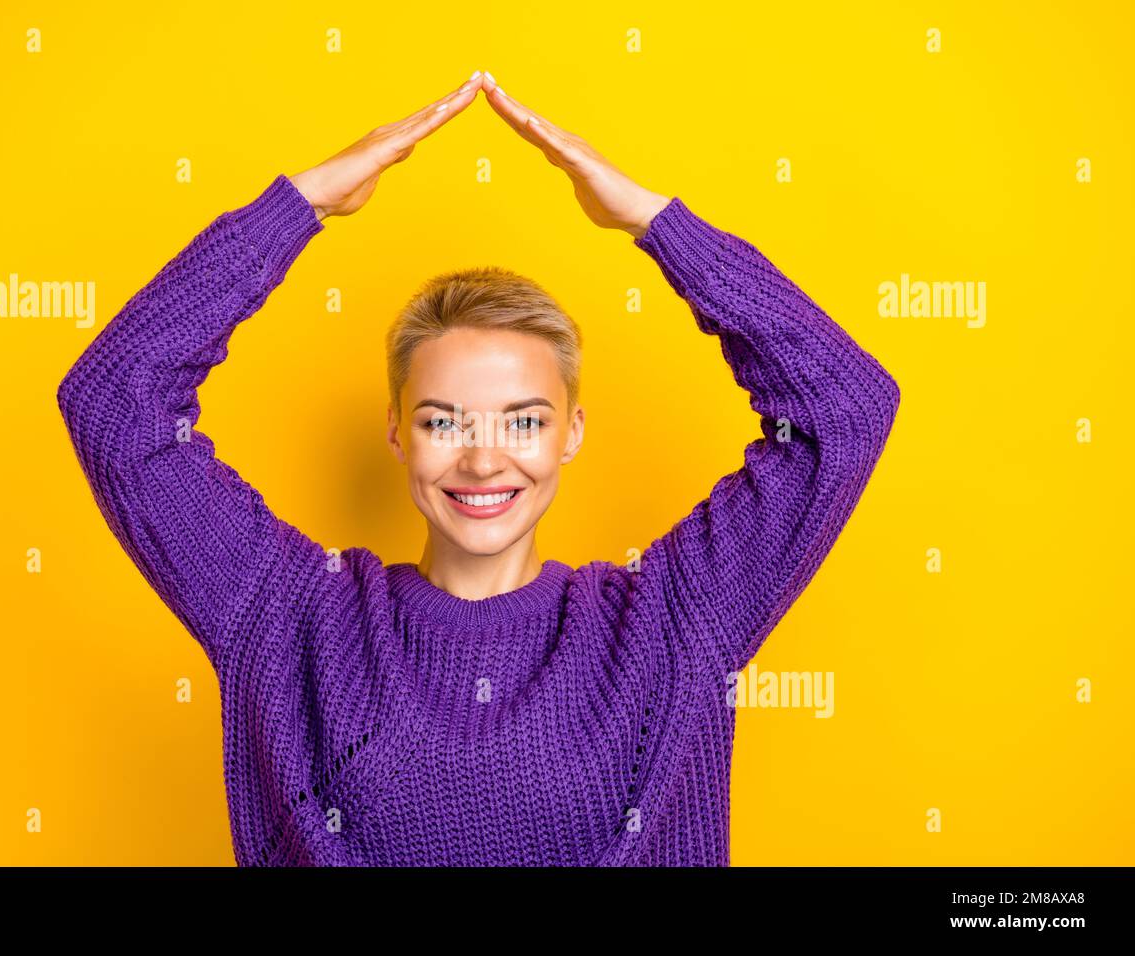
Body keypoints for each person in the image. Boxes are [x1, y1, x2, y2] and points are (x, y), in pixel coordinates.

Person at [56, 70, 901, 865]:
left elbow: (846, 409)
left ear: (572, 433)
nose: (484, 455)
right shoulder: (292, 615)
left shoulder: (672, 620)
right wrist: (298, 206)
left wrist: (657, 224)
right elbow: (115, 405)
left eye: (523, 420)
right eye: (443, 419)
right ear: (397, 434)